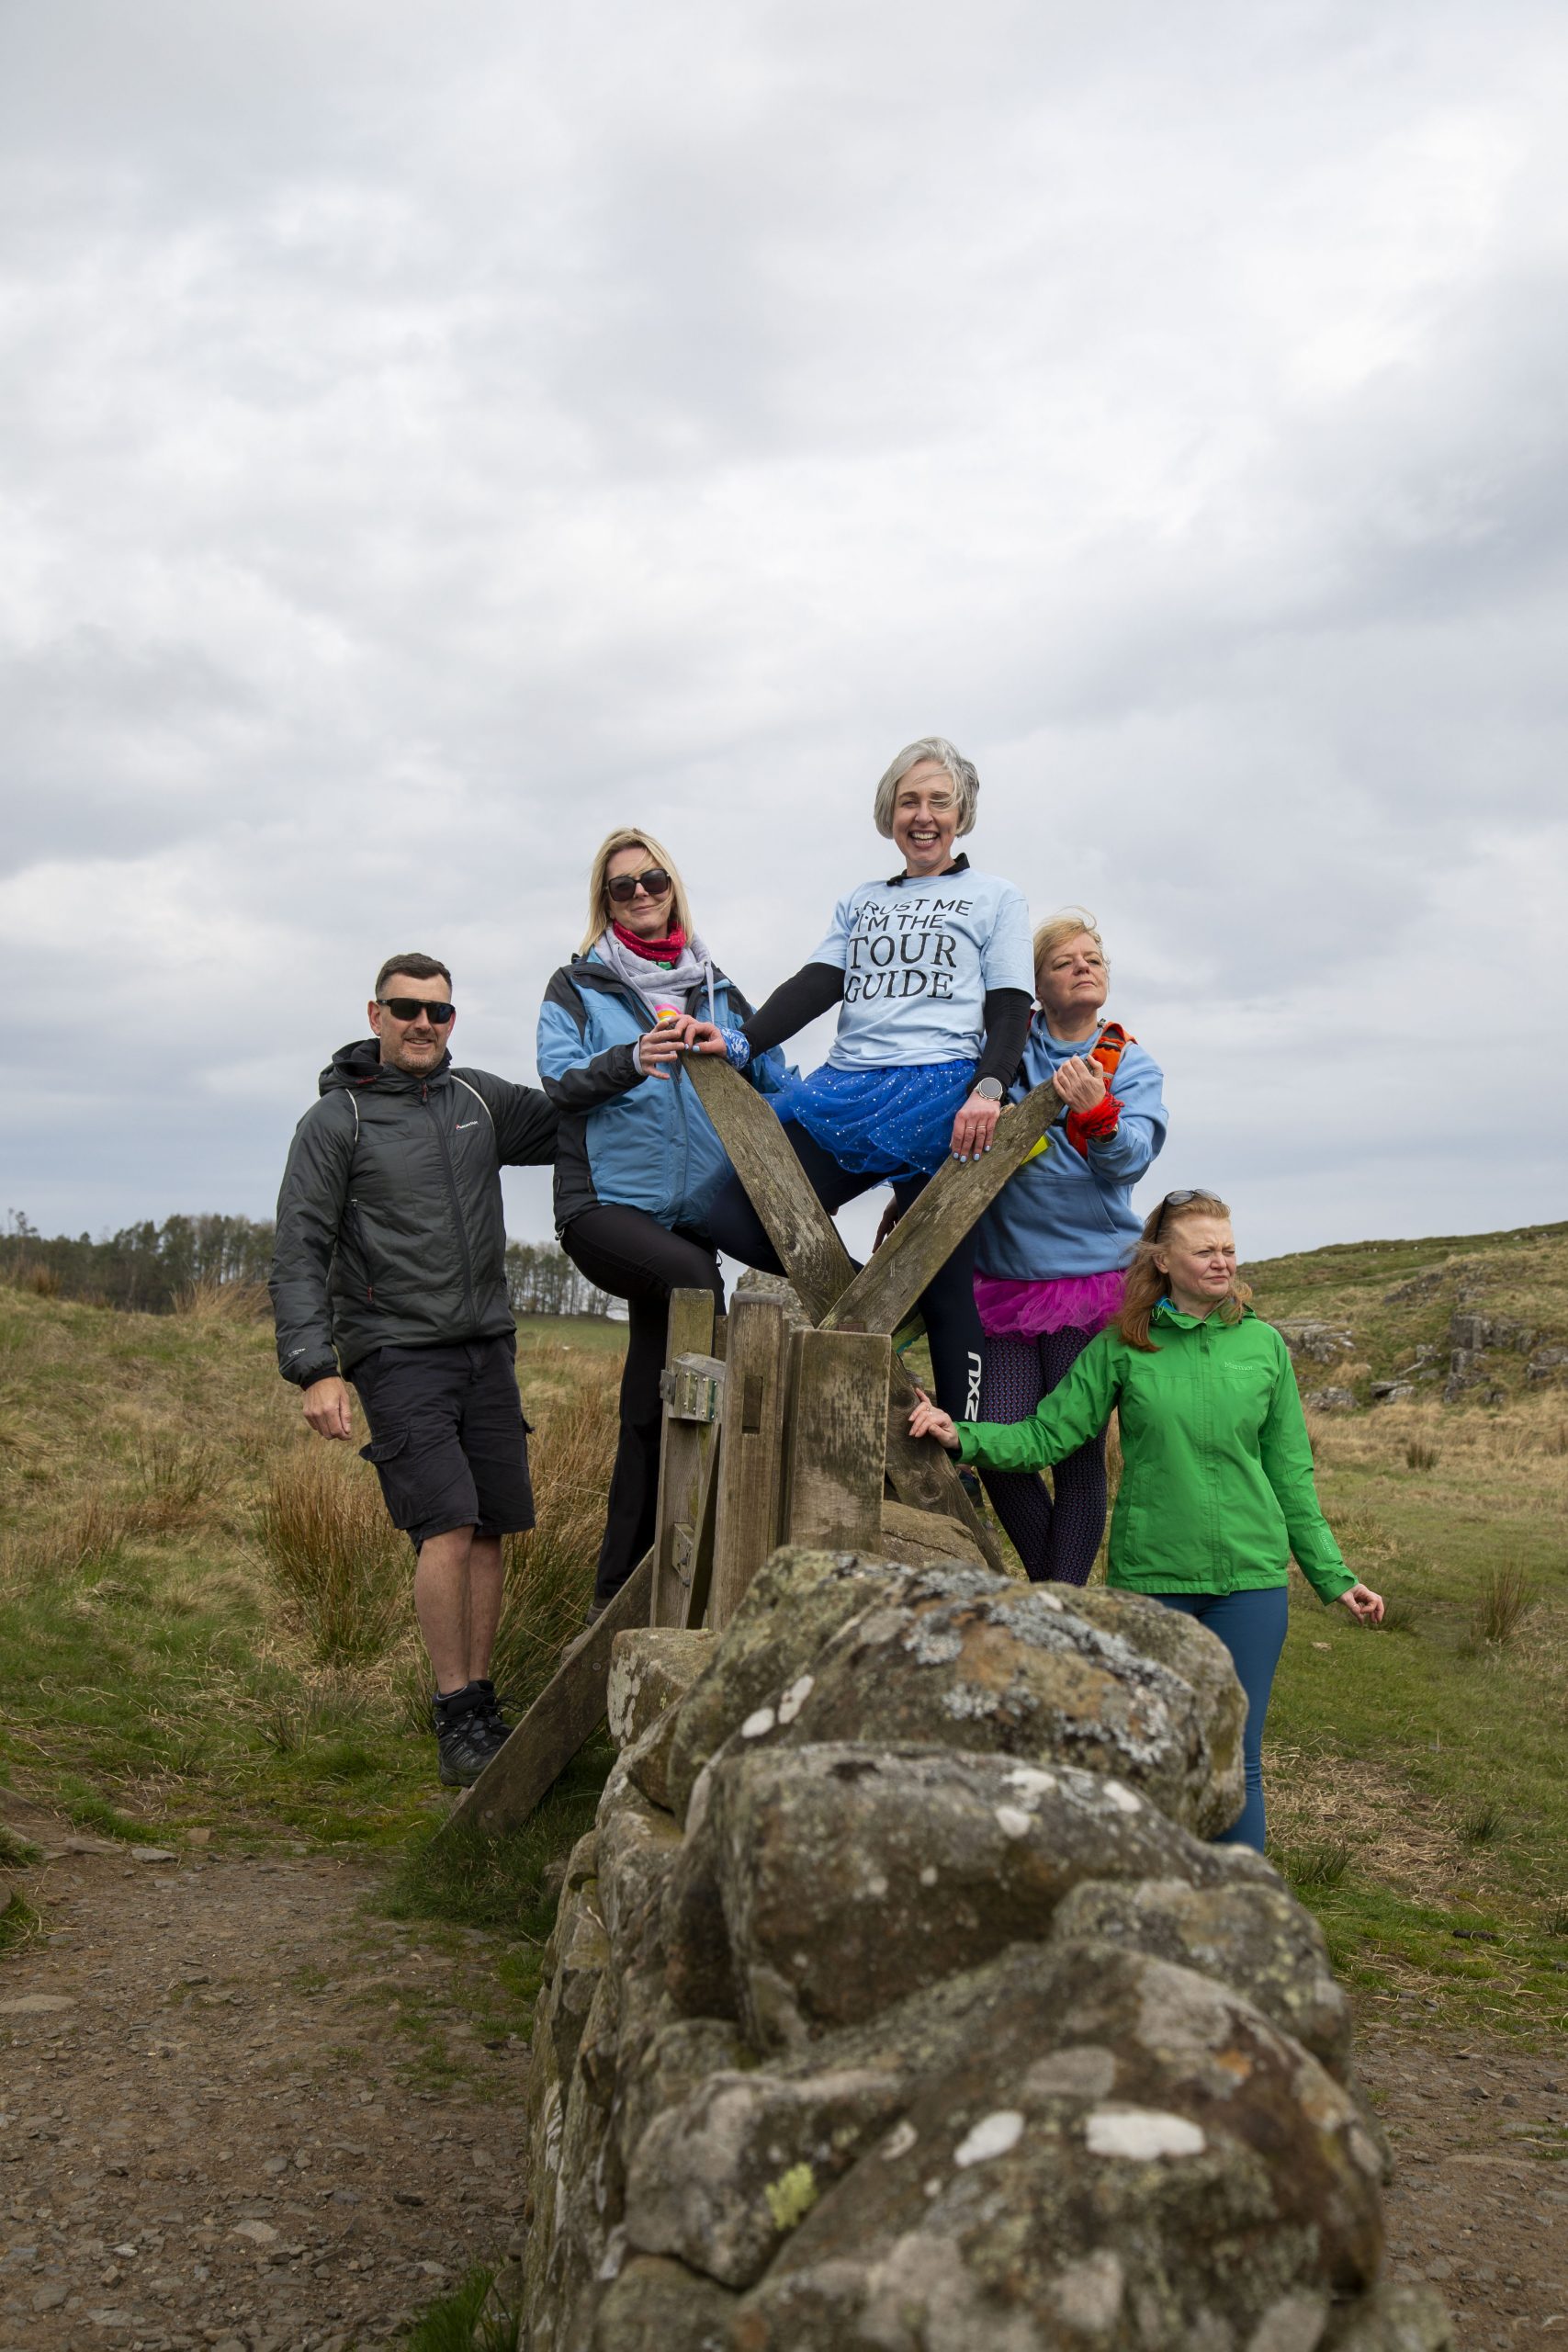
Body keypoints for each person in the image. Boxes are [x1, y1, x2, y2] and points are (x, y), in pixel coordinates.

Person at [908, 1190, 1384, 1849]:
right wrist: (960, 1436)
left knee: (1234, 1758)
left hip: (1250, 1584)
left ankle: (1236, 1911)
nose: (1221, 1263)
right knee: (1145, 1750)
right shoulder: (1120, 1347)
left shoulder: (1264, 1348)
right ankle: (1147, 1891)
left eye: (1227, 1249)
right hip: (1151, 1581)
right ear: (1162, 1260)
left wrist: (1334, 1577)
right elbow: (1047, 1437)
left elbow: (1290, 1476)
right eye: (1203, 1251)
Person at [270, 953, 558, 1789]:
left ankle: (481, 1703)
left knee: (492, 1526)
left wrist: (647, 1058)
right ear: (375, 1014)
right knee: (448, 1523)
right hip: (395, 1350)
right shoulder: (337, 1121)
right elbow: (298, 1251)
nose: (423, 1024)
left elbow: (576, 1113)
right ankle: (454, 1712)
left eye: (438, 1012)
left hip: (487, 1345)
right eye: (406, 1009)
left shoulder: (477, 1099)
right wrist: (313, 1368)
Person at [694, 737, 1034, 1430]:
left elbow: (1008, 1004)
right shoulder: (860, 902)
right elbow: (816, 985)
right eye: (909, 800)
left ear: (961, 813)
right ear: (889, 814)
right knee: (722, 1213)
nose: (923, 814)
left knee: (941, 1278)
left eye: (939, 801)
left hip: (943, 1099)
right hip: (844, 1092)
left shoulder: (994, 897)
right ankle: (867, 1300)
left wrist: (990, 1087)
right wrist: (739, 1040)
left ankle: (960, 1447)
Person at [537, 831, 792, 1615]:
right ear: (604, 903)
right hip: (604, 1211)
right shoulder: (578, 985)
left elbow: (777, 1076)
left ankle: (621, 1593)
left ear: (673, 888)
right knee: (692, 1285)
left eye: (652, 880)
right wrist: (631, 1058)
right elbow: (556, 1081)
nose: (640, 892)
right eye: (621, 887)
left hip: (693, 1217)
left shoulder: (717, 988)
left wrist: (739, 1053)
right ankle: (688, 1532)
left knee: (649, 1403)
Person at [968, 910, 1168, 1584]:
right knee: (997, 1449)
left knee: (1076, 1459)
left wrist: (1098, 1115)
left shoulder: (1128, 1063)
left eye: (1093, 958)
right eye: (1064, 961)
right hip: (999, 1284)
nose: (1084, 967)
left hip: (1088, 1286)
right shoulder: (1004, 1050)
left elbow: (1129, 1162)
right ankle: (1057, 1596)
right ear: (1035, 987)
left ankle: (1054, 1603)